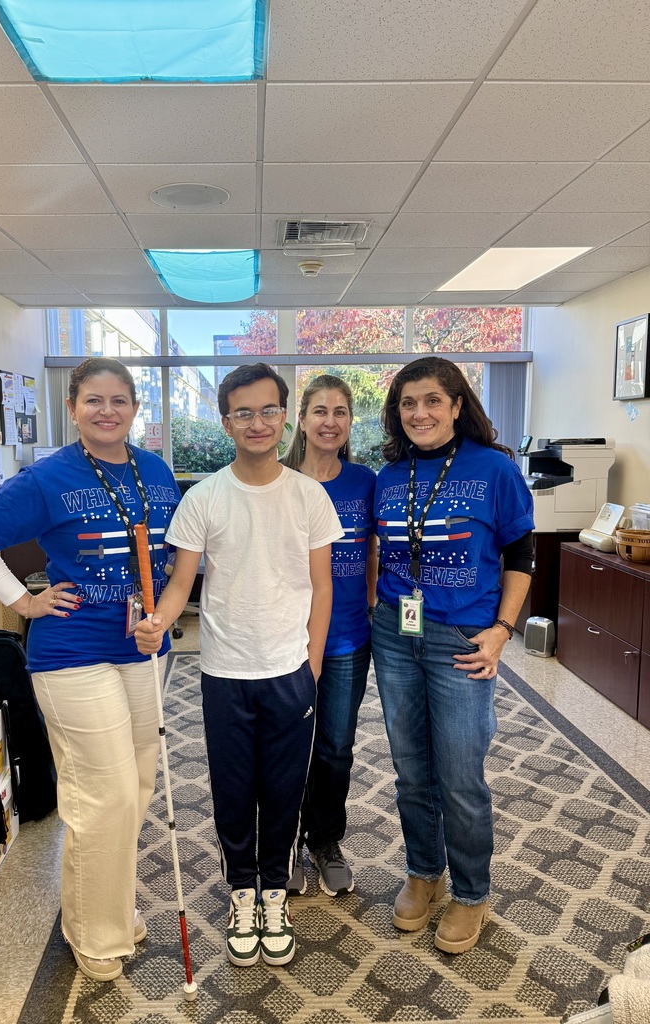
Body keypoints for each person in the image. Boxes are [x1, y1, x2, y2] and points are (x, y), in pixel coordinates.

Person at [0, 356, 180, 983]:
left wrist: (164, 614)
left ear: (135, 408)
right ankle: (94, 931)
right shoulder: (48, 477)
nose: (107, 411)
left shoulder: (156, 469)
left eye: (119, 400)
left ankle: (110, 905)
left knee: (136, 787)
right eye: (93, 400)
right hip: (73, 654)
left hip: (141, 648)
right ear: (73, 408)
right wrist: (23, 601)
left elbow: (169, 555)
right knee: (103, 794)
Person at [135, 363, 343, 969]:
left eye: (268, 410)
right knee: (232, 789)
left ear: (285, 417)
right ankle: (241, 894)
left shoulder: (308, 496)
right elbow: (182, 583)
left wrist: (312, 662)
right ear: (226, 422)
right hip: (224, 672)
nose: (257, 423)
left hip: (289, 670)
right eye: (243, 413)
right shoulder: (204, 497)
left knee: (284, 789)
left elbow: (322, 587)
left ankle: (275, 894)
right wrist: (158, 620)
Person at [371, 356, 534, 954]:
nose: (420, 413)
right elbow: (377, 551)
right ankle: (424, 872)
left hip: (463, 638)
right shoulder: (389, 476)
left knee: (460, 774)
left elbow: (522, 556)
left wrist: (502, 631)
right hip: (396, 632)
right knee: (411, 768)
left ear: (458, 405)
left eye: (432, 400)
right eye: (408, 403)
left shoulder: (495, 469)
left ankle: (471, 892)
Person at [281, 374, 377, 898]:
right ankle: (285, 842)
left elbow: (372, 550)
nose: (330, 421)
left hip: (347, 641)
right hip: (286, 642)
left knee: (336, 747)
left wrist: (371, 602)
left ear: (349, 422)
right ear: (301, 420)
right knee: (289, 745)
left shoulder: (364, 482)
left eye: (340, 412)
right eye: (319, 411)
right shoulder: (277, 478)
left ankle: (325, 841)